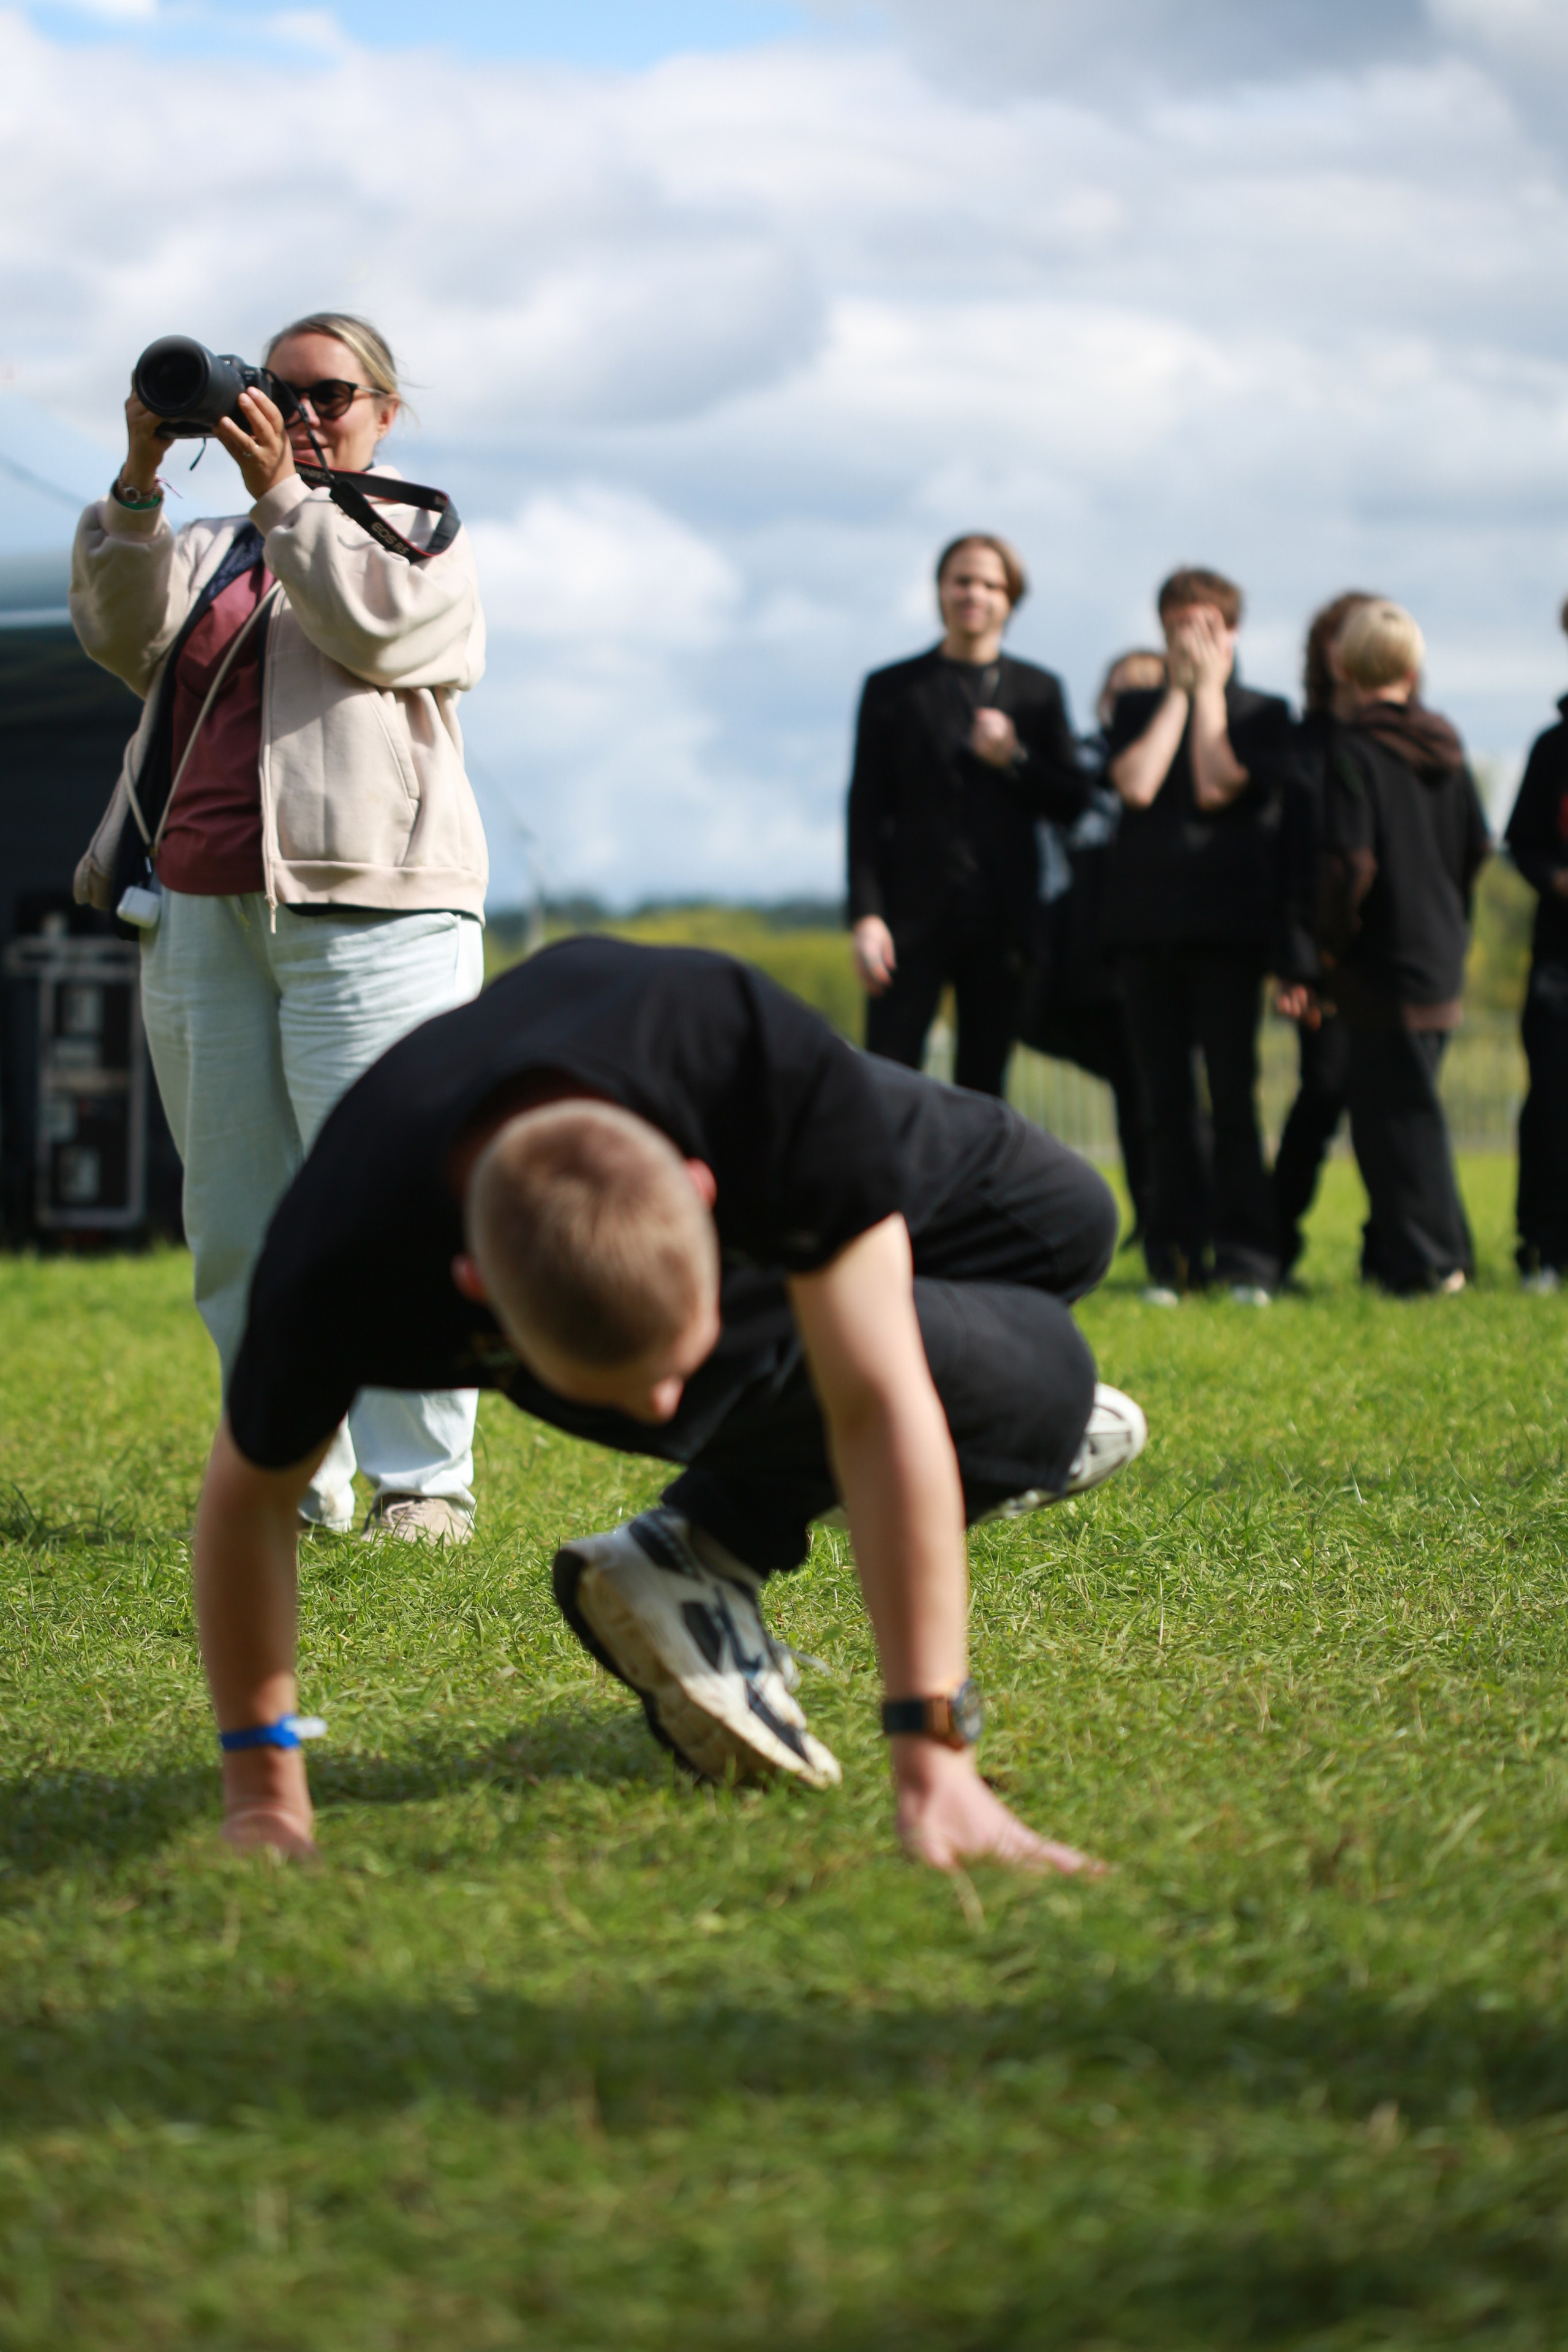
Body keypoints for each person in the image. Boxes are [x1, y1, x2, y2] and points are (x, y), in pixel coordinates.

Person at [192, 936, 1148, 1874]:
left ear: (709, 1198)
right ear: (476, 1291)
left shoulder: (771, 1080)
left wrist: (933, 1759)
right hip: (516, 1147)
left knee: (1070, 1222)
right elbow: (246, 1504)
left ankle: (698, 1537)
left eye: (683, 1369)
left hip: (715, 1073)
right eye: (628, 1393)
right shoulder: (342, 1262)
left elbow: (877, 1401)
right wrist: (264, 1791)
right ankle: (709, 1541)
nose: (661, 1407)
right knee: (1040, 1381)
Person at [70, 312, 489, 1542]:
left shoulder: (421, 531)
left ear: (386, 411)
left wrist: (286, 499)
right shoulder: (212, 545)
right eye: (278, 391)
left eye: (330, 395)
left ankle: (421, 1484)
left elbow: (381, 628)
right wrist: (140, 480)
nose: (302, 414)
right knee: (236, 1215)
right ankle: (290, 1477)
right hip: (199, 909)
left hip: (375, 909)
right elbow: (117, 636)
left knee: (385, 1198)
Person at [1102, 567, 1295, 1304]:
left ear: (1233, 631)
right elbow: (1137, 784)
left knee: (1233, 1098)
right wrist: (1178, 697)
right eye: (1178, 625)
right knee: (1164, 1102)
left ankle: (1246, 1259)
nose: (1190, 639)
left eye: (1205, 625)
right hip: (1145, 932)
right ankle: (1173, 1259)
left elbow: (1218, 784)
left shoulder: (1264, 713)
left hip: (1230, 934)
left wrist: (1209, 692)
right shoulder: (1136, 708)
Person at [847, 535, 1089, 1097]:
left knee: (983, 1088)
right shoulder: (891, 688)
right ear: (940, 590)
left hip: (1004, 920)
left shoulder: (1039, 691)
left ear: (1011, 599)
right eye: (961, 581)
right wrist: (866, 916)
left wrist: (1016, 759)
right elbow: (864, 809)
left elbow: (1073, 801)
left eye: (989, 584)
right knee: (886, 1078)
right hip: (908, 916)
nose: (973, 594)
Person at [1317, 600, 1489, 1295]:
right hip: (1440, 949)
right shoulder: (1447, 746)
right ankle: (1428, 1254)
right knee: (1416, 1107)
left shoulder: (1353, 752)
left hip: (1380, 960)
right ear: (1413, 666)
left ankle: (1429, 1264)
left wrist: (1330, 944)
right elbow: (1478, 845)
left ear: (1344, 666)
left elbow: (1350, 865)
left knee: (1392, 1120)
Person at [1016, 650, 1161, 1238]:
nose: (1125, 702)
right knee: (1135, 1082)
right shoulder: (1072, 763)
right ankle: (1155, 1212)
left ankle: (1161, 1214)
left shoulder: (1172, 764)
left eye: (1142, 690)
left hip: (1147, 949)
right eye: (1117, 690)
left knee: (1146, 1089)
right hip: (1077, 953)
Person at [1271, 592, 1378, 1284]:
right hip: (1323, 959)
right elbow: (1281, 862)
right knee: (1325, 1090)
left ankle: (1392, 1251)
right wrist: (1296, 966)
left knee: (1393, 1108)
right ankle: (1271, 1245)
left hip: (1395, 957)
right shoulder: (1299, 743)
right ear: (1321, 651)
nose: (1350, 648)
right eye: (1339, 636)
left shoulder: (1414, 738)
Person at [1502, 607, 1568, 1292]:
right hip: (1559, 964)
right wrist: (1557, 879)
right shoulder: (1553, 747)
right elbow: (1521, 842)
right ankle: (1545, 1249)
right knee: (1552, 1101)